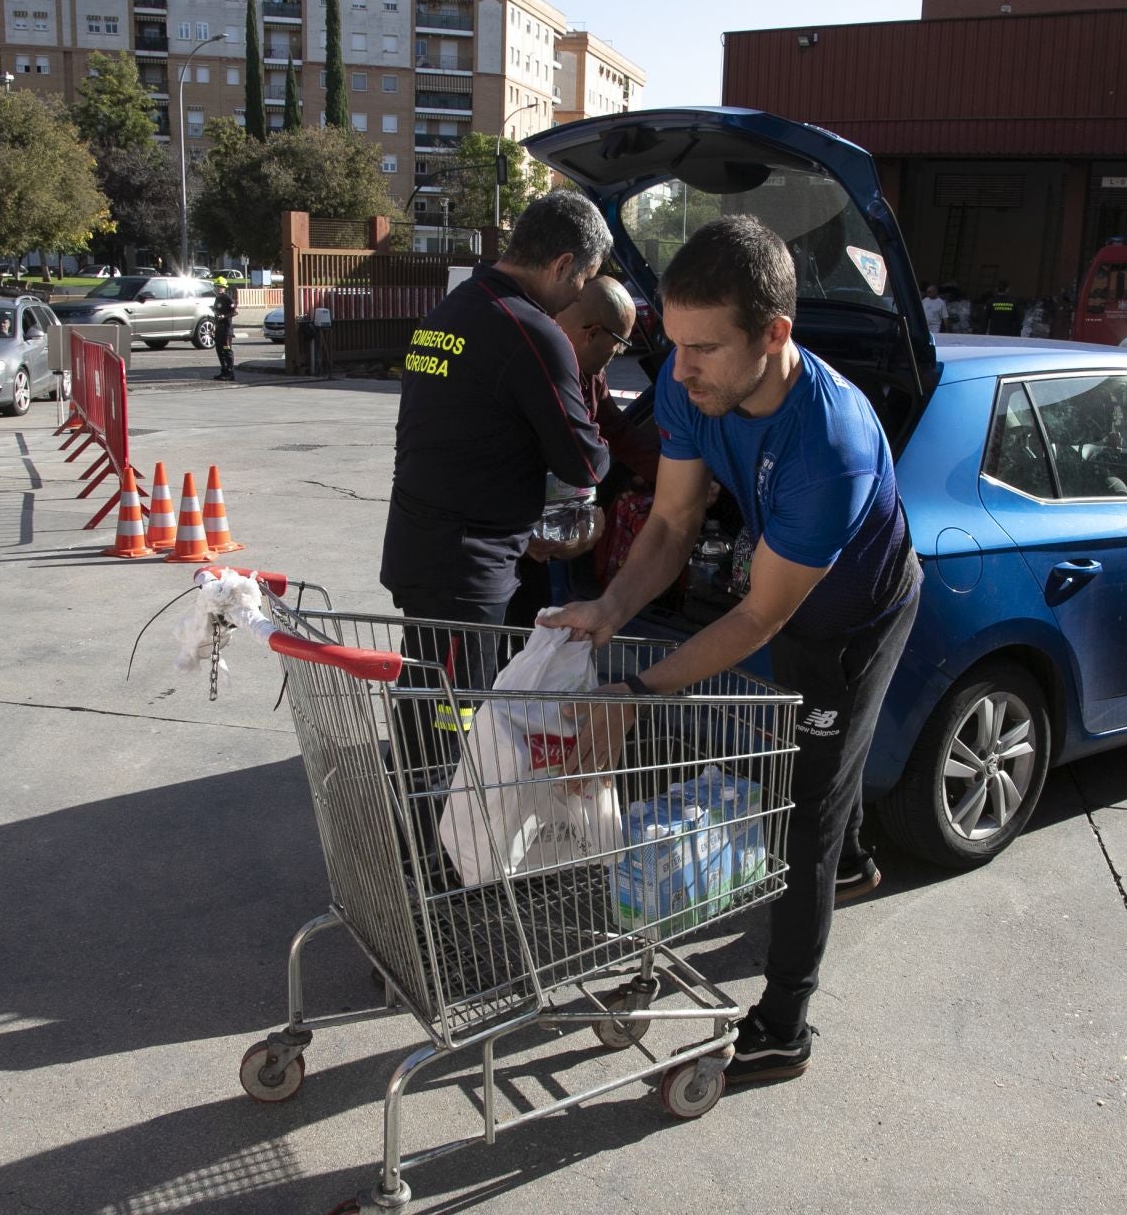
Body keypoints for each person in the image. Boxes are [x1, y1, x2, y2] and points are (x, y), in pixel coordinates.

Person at [542, 215, 922, 1088]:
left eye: (705, 348)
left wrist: (636, 693)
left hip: (856, 617)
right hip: (787, 597)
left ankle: (784, 1025)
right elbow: (672, 522)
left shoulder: (832, 445)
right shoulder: (689, 385)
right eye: (672, 344)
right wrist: (610, 604)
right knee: (814, 756)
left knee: (807, 807)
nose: (680, 370)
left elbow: (758, 620)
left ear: (774, 335)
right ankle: (860, 864)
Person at [380, 191, 611, 774]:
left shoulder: (453, 310)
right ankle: (435, 851)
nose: (580, 294)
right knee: (450, 719)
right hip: (467, 564)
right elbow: (582, 463)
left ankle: (423, 836)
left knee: (429, 696)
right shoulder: (529, 330)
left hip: (424, 544)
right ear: (562, 264)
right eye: (582, 279)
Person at [506, 276, 656, 628]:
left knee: (528, 645)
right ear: (593, 334)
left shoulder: (589, 373)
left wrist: (682, 477)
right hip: (498, 545)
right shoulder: (526, 364)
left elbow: (617, 432)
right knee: (469, 666)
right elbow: (487, 462)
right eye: (618, 345)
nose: (618, 355)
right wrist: (520, 533)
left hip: (539, 550)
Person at [210, 276, 238, 381]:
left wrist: (225, 317)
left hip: (226, 330)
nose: (218, 288)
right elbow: (216, 313)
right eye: (217, 286)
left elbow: (235, 312)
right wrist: (213, 327)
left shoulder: (227, 298)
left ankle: (230, 373)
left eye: (220, 287)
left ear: (224, 287)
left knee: (227, 351)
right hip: (219, 329)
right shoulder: (217, 298)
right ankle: (224, 371)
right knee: (219, 350)